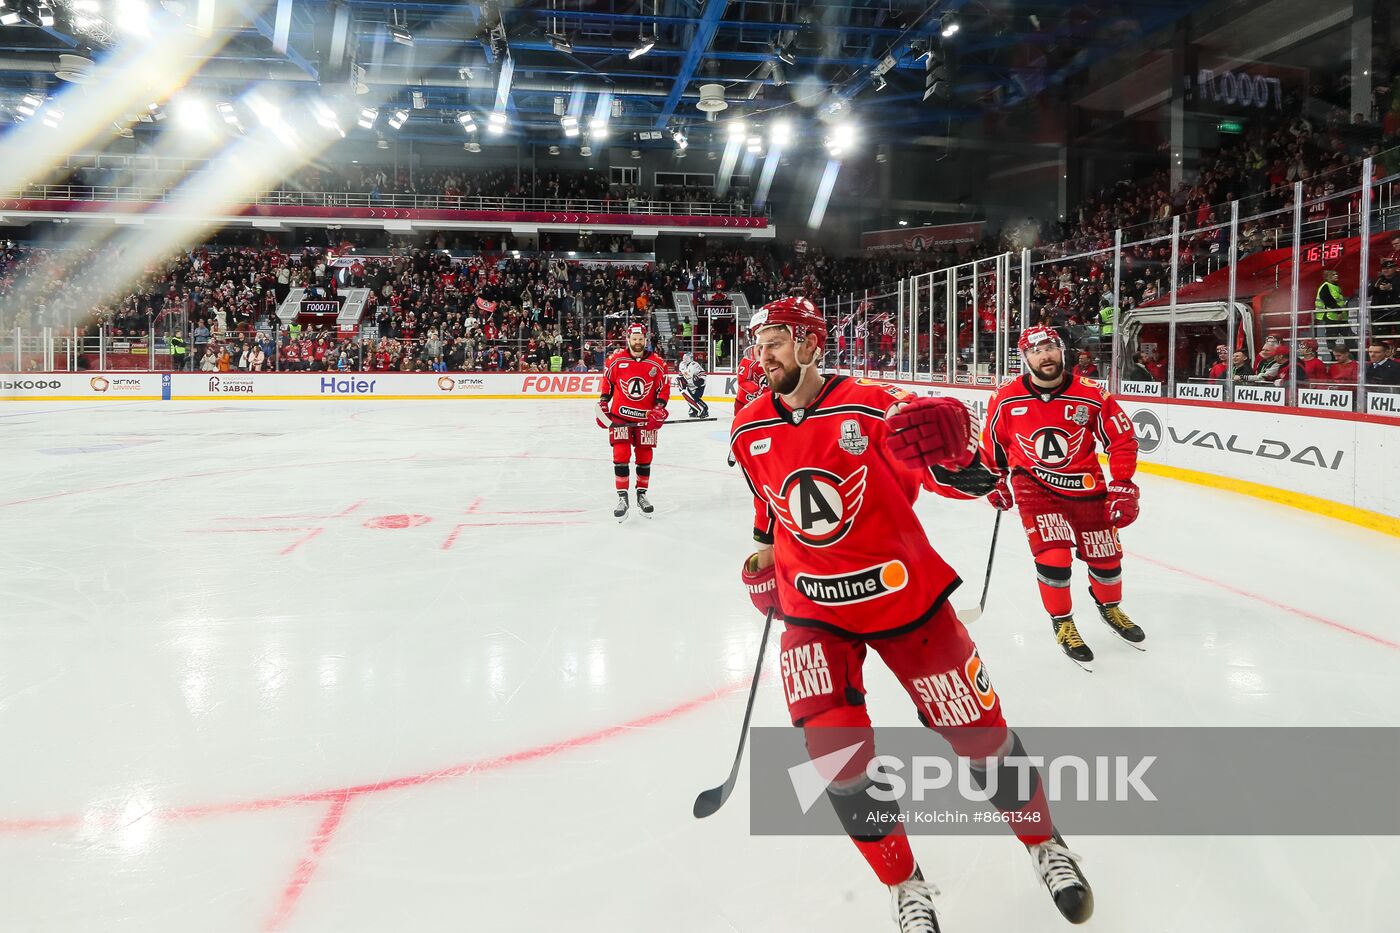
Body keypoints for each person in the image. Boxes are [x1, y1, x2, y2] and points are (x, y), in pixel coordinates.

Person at [732, 297, 1093, 933]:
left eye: (778, 340)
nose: (764, 353)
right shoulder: (748, 425)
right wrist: (764, 564)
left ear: (813, 344)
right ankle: (904, 885)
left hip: (904, 598)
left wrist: (962, 458)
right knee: (835, 756)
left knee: (982, 736)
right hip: (814, 613)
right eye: (759, 342)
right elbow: (770, 509)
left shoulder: (874, 403)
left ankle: (1045, 844)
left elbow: (957, 473)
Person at [982, 325, 1145, 669]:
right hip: (1034, 487)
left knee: (1107, 562)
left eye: (1050, 348)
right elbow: (994, 443)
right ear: (1025, 358)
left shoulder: (1092, 393)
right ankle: (1063, 621)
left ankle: (1110, 607)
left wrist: (1123, 483)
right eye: (1036, 351)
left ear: (1061, 350)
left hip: (1087, 489)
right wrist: (995, 479)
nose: (1045, 356)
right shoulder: (1005, 396)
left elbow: (1122, 440)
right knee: (1054, 558)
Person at [597, 323, 670, 521]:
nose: (637, 342)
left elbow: (663, 389)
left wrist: (660, 408)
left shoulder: (658, 363)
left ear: (645, 339)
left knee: (644, 457)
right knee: (620, 454)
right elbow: (607, 383)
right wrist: (603, 403)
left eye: (640, 339)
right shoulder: (615, 360)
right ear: (628, 339)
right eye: (634, 339)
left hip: (646, 419)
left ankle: (642, 494)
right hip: (620, 417)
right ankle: (622, 497)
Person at [677, 351, 709, 419]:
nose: (685, 359)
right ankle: (694, 409)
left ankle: (703, 409)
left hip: (698, 386)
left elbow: (703, 374)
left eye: (687, 358)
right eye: (684, 358)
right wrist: (681, 381)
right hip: (689, 386)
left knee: (694, 398)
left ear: (691, 358)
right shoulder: (681, 364)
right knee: (687, 395)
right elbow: (680, 375)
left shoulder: (695, 365)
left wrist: (699, 381)